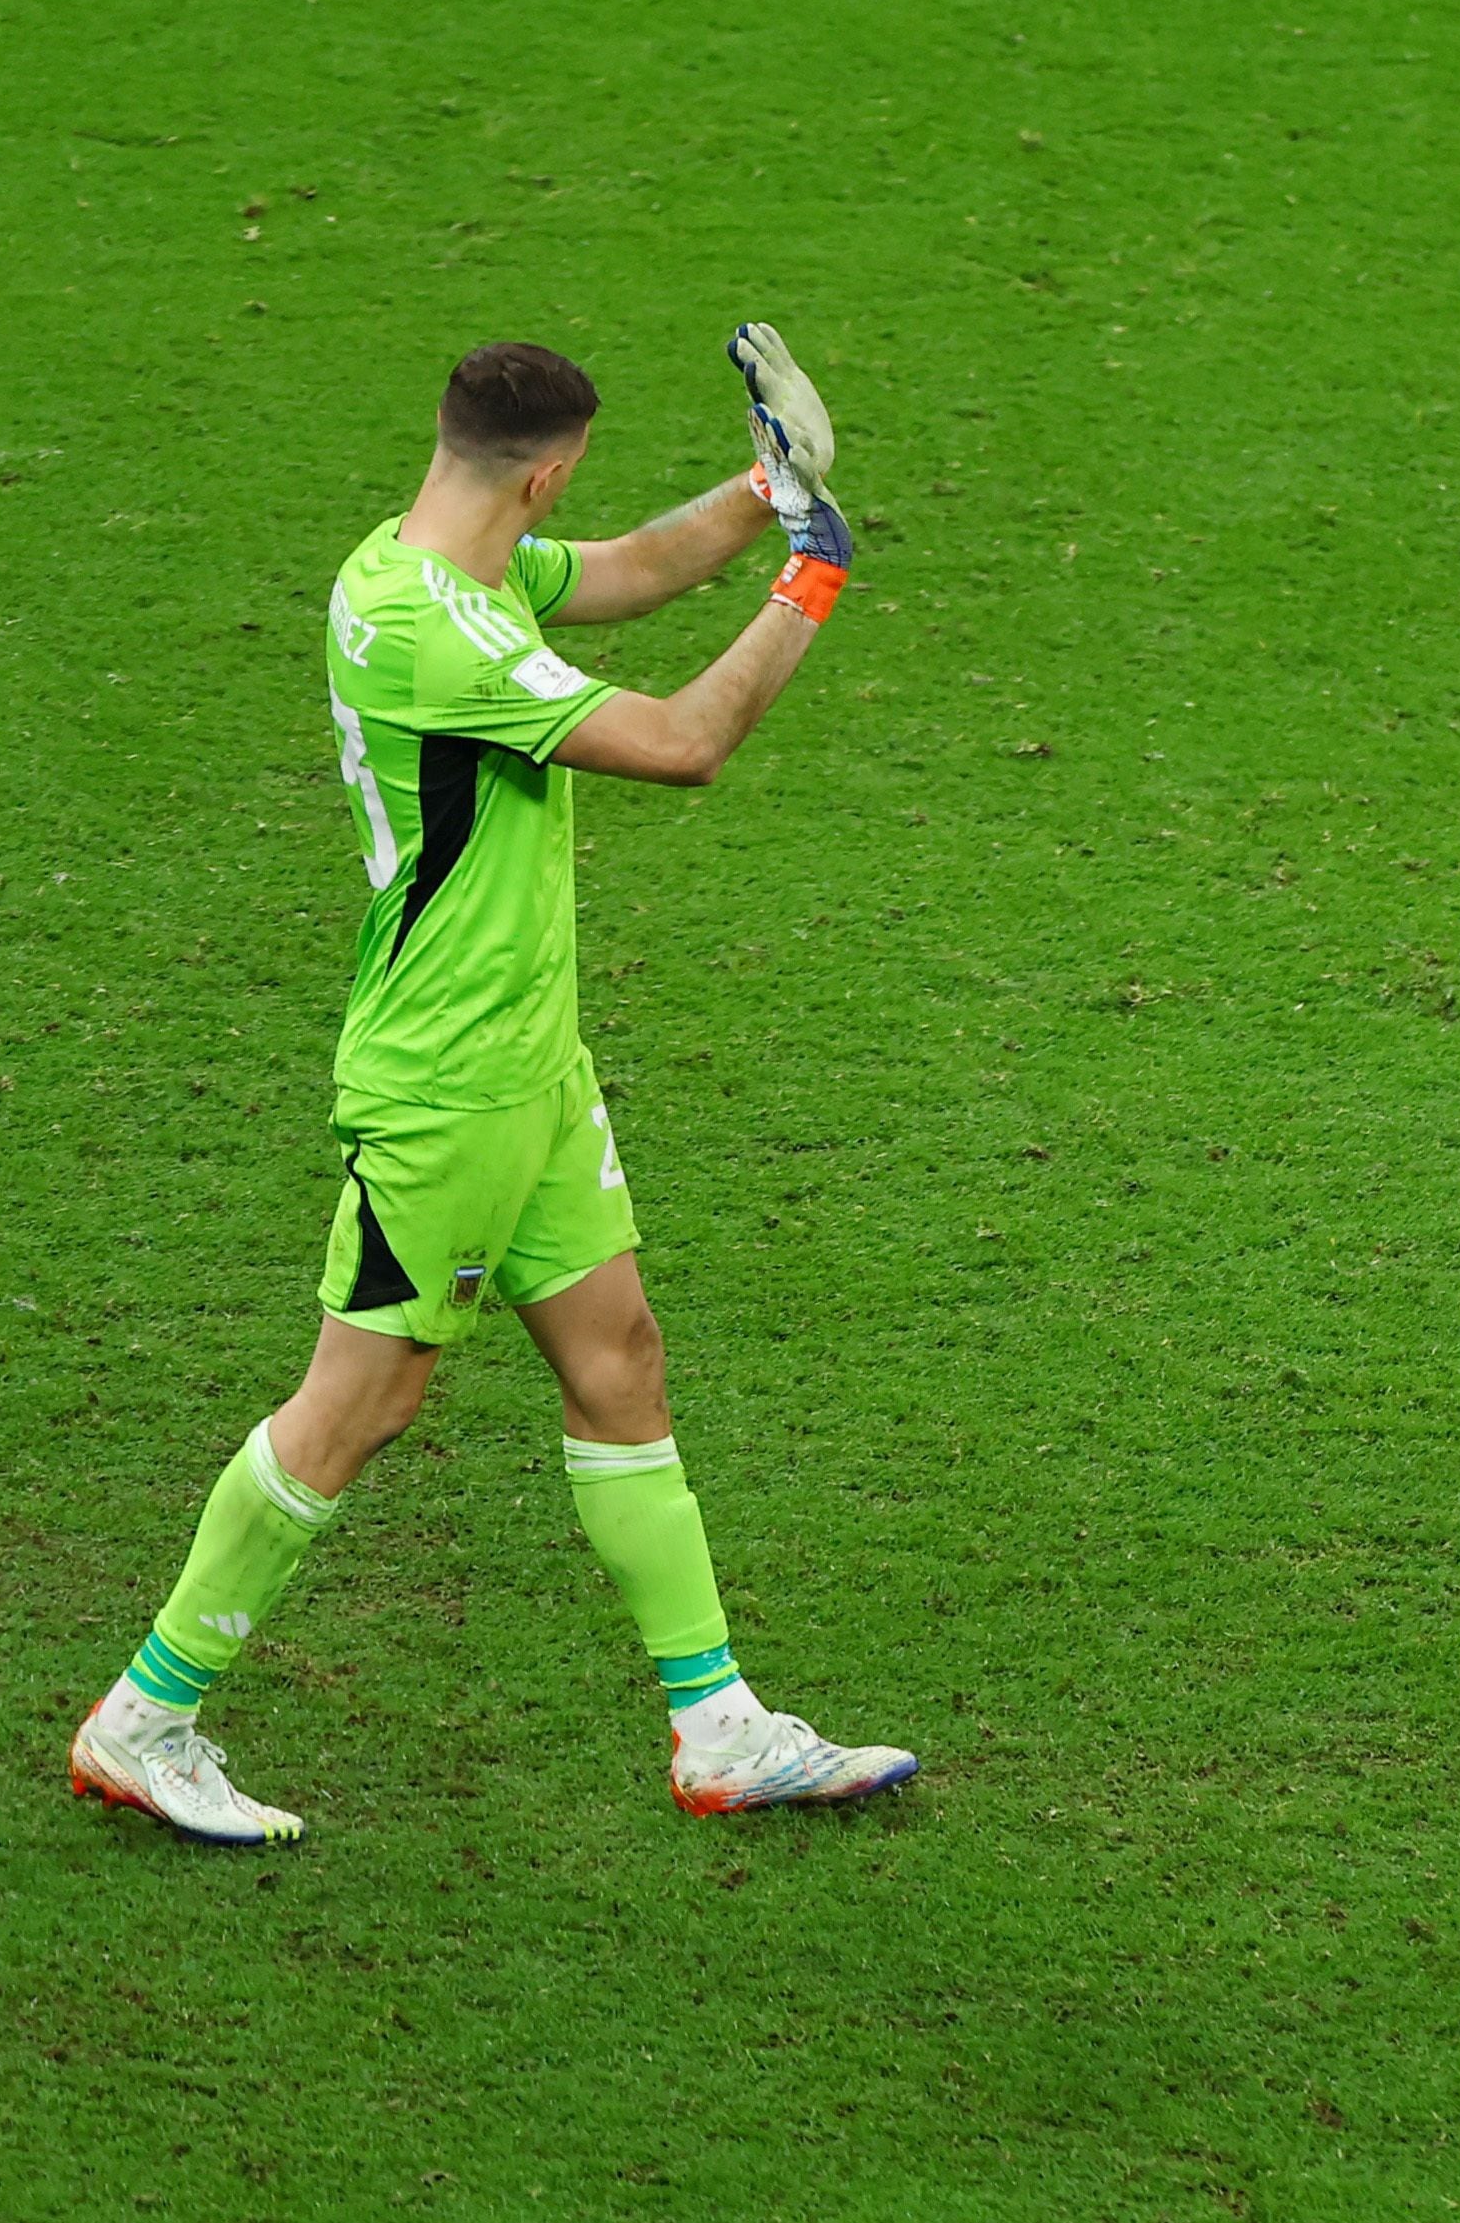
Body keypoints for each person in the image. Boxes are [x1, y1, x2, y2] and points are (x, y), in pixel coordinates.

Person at [68, 331, 915, 1845]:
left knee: (619, 1359)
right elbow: (681, 741)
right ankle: (147, 1714)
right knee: (361, 1401)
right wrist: (813, 580)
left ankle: (716, 1724)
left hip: (530, 1067)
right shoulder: (436, 635)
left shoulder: (431, 562)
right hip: (445, 1089)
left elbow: (635, 572)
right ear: (546, 467)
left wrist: (764, 487)